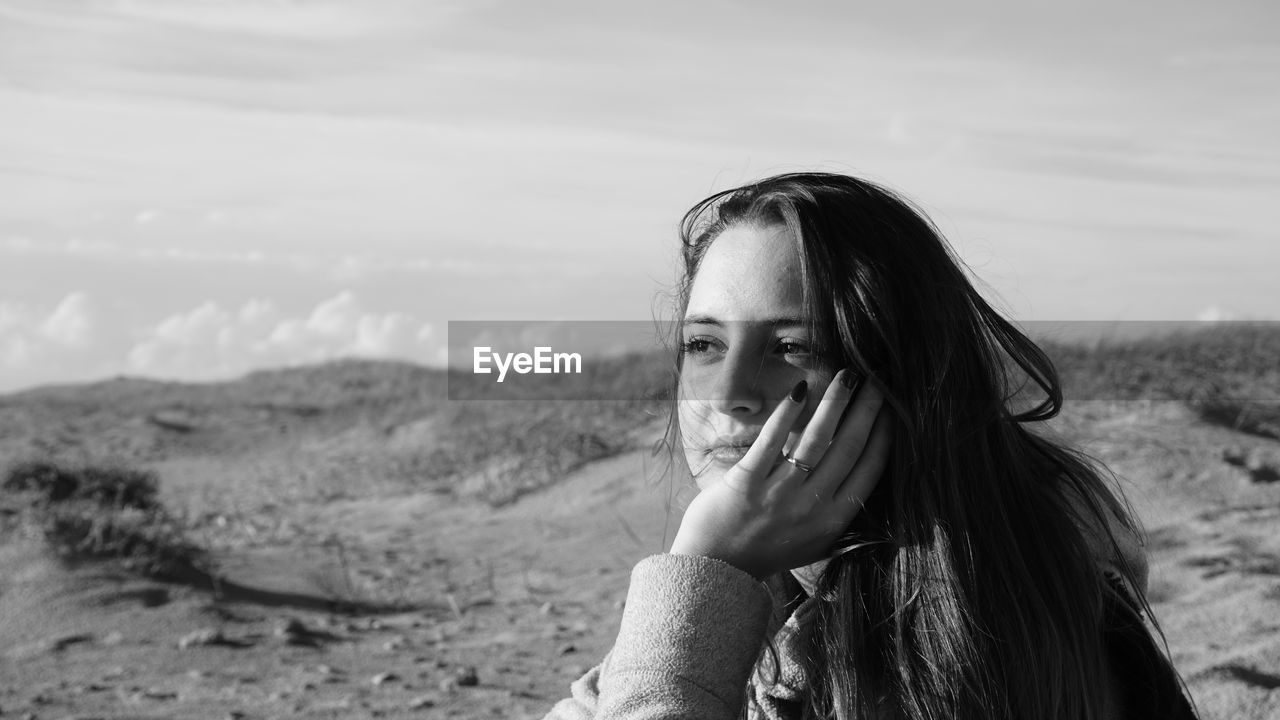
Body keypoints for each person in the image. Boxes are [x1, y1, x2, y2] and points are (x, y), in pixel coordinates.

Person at [544, 172, 1198, 720]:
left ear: (897, 375)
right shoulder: (785, 569)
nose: (726, 393)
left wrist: (704, 567)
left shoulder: (964, 636)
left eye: (791, 347)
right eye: (704, 344)